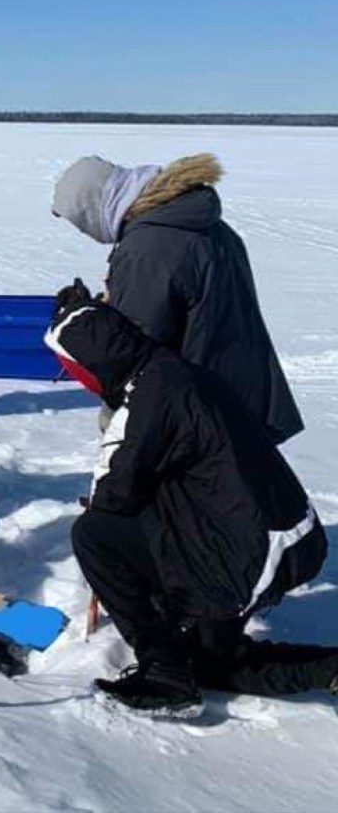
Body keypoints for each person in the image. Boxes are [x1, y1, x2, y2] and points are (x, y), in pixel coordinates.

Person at [44, 285, 333, 717]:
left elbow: (111, 499)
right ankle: (327, 670)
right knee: (211, 658)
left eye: (74, 371)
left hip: (253, 552)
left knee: (94, 535)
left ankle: (164, 671)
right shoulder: (178, 372)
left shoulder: (145, 405)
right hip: (287, 532)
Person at [51, 152, 302, 444]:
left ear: (96, 208)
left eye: (82, 223)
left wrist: (84, 323)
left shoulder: (148, 247)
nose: (86, 233)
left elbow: (134, 355)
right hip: (241, 399)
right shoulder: (202, 224)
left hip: (198, 417)